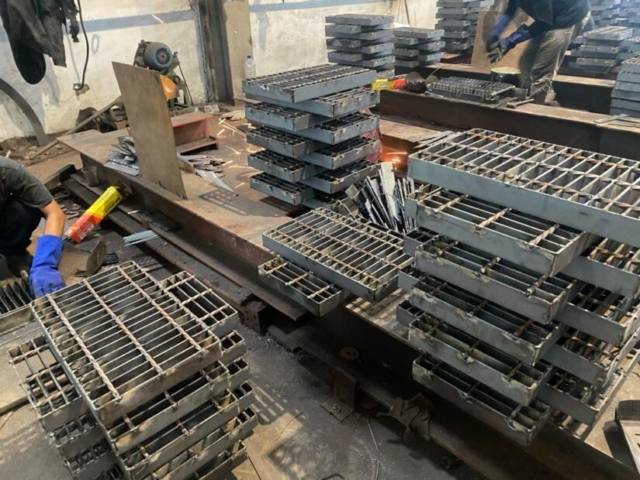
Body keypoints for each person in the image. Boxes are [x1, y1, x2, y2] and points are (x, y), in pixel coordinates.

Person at [486, 0, 591, 104]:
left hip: (569, 17)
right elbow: (511, 9)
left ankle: (535, 107)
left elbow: (544, 23)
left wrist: (510, 41)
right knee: (526, 63)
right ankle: (537, 98)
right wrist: (495, 32)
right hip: (550, 17)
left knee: (542, 69)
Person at [0, 156, 66, 297]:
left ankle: (14, 255)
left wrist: (45, 263)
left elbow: (54, 213)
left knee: (24, 210)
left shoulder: (8, 171)